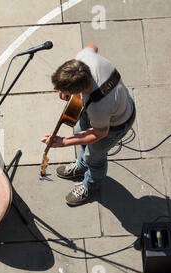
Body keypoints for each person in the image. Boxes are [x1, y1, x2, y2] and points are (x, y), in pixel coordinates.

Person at [41, 44, 136, 206]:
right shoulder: (85, 59)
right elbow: (92, 46)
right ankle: (81, 166)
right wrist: (64, 88)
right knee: (79, 131)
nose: (56, 90)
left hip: (115, 124)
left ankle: (91, 184)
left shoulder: (100, 107)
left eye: (63, 90)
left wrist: (64, 142)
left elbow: (99, 133)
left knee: (94, 156)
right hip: (97, 111)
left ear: (80, 90)